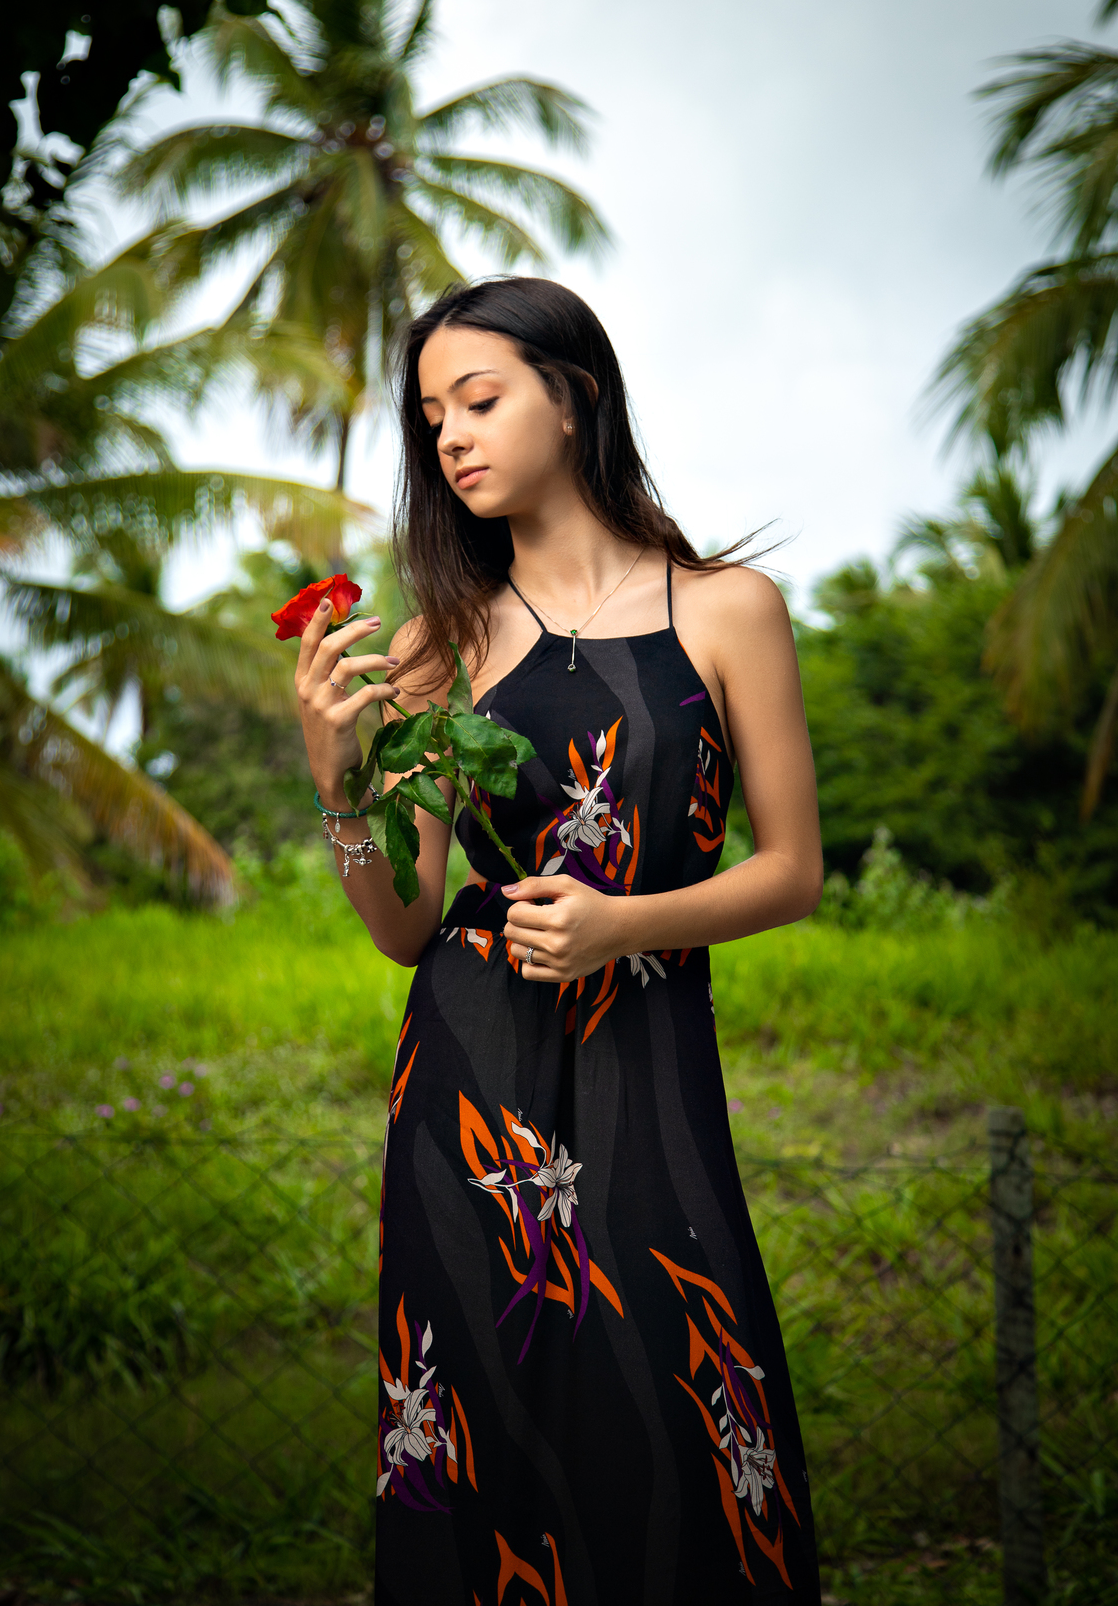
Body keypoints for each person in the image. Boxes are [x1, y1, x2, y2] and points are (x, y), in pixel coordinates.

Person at [294, 278, 824, 1605]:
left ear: (574, 395)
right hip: (472, 1077)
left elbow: (792, 872)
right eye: (431, 420)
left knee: (689, 1398)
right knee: (480, 1415)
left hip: (647, 1059)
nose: (451, 439)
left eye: (480, 401)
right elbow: (407, 926)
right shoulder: (437, 646)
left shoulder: (726, 610)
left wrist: (621, 925)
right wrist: (333, 776)